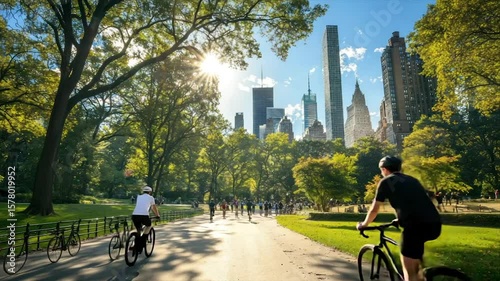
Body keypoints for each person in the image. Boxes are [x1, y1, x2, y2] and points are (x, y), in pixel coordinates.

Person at [357, 156, 441, 281]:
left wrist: (363, 224)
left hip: (414, 226)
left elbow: (374, 209)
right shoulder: (412, 180)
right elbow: (417, 202)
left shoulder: (386, 182)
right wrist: (401, 219)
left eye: (381, 170)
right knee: (415, 260)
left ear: (384, 169)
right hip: (434, 223)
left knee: (408, 272)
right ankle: (421, 275)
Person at [132, 186, 160, 253]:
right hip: (144, 216)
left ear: (143, 191)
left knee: (138, 230)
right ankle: (143, 239)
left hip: (135, 215)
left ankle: (135, 245)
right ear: (150, 192)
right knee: (149, 225)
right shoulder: (151, 198)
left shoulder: (138, 196)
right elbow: (154, 208)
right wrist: (157, 215)